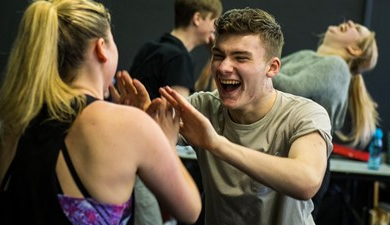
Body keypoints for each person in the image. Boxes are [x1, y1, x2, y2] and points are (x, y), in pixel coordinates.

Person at [119, 7, 333, 225]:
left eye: (240, 58)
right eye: (218, 55)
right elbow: (142, 141)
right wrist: (141, 121)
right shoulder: (203, 106)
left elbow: (307, 181)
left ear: (272, 67)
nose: (223, 67)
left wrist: (216, 144)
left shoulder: (305, 114)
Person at [0, 0, 201, 224]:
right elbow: (190, 211)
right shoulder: (132, 124)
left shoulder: (15, 123)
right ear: (101, 48)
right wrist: (162, 138)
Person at [272, 20, 379, 219]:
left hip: (299, 161)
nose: (349, 23)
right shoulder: (307, 56)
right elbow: (270, 76)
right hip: (283, 157)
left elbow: (288, 90)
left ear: (355, 49)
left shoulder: (336, 66)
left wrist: (252, 66)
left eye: (356, 28)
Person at [128, 0, 221, 224]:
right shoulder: (178, 58)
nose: (215, 29)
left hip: (131, 153)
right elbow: (182, 119)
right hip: (148, 160)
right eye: (213, 21)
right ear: (198, 19)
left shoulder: (153, 47)